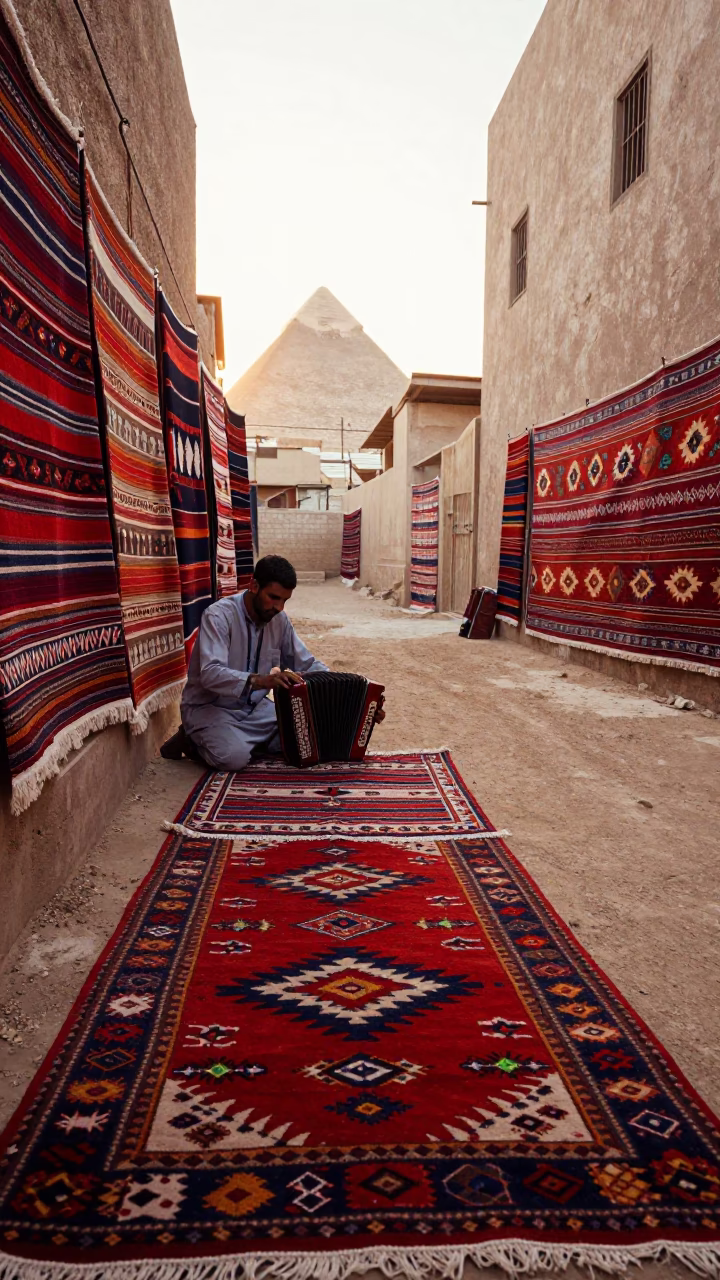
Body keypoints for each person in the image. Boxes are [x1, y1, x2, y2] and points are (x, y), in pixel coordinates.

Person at [160, 555, 382, 770]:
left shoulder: (279, 621)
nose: (279, 608)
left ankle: (246, 741)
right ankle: (191, 739)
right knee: (232, 758)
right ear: (254, 586)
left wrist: (361, 702)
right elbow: (210, 674)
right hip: (211, 709)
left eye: (285, 600)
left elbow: (307, 664)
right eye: (274, 598)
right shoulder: (218, 617)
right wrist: (261, 681)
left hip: (257, 710)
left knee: (306, 737)